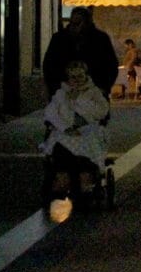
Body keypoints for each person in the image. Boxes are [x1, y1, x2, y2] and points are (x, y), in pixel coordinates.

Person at [42, 60, 110, 205]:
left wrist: (79, 99)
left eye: (80, 76)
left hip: (88, 130)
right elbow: (50, 113)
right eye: (73, 77)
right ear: (68, 78)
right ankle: (63, 181)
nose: (77, 80)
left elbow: (102, 111)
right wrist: (64, 127)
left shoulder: (94, 93)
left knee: (87, 147)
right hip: (65, 131)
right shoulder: (61, 94)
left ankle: (85, 182)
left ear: (86, 76)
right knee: (60, 147)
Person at [41, 6, 119, 98]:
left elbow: (111, 65)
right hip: (65, 93)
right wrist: (56, 88)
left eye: (78, 23)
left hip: (93, 93)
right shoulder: (59, 39)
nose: (75, 27)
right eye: (73, 23)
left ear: (87, 23)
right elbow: (49, 65)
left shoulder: (100, 39)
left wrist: (103, 88)